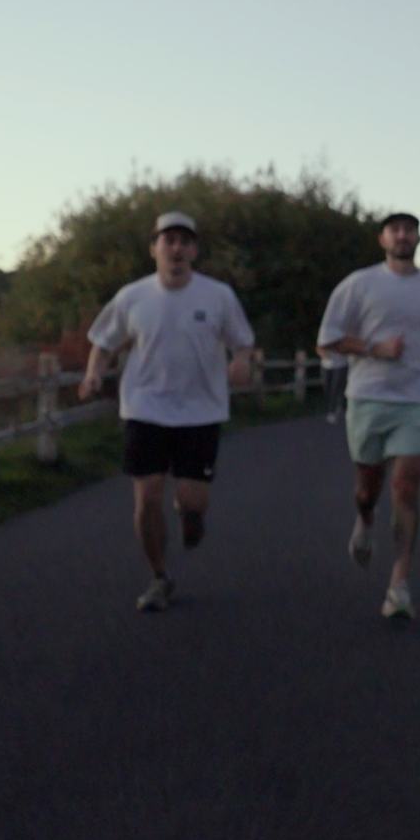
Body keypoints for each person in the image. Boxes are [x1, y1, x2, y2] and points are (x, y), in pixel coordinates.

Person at [82, 211, 257, 613]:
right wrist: (94, 374)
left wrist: (242, 361)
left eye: (184, 241)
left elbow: (242, 341)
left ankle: (191, 516)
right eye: (168, 240)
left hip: (200, 411)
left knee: (192, 499)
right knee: (147, 497)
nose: (176, 248)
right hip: (145, 407)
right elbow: (104, 342)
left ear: (193, 250)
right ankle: (160, 576)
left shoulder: (218, 296)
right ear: (154, 249)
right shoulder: (132, 296)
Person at [317, 212, 420, 621]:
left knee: (407, 487)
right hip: (368, 398)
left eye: (409, 229)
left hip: (417, 397)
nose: (402, 235)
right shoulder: (359, 284)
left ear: (418, 237)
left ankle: (399, 585)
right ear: (382, 239)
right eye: (394, 229)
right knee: (368, 488)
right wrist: (375, 349)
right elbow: (327, 340)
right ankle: (364, 518)